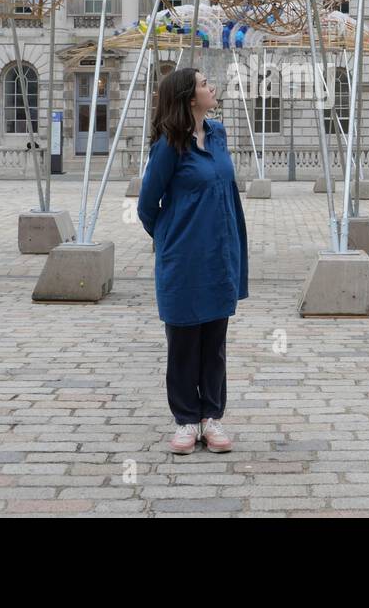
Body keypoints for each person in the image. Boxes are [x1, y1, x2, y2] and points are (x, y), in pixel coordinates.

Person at [137, 68, 249, 455]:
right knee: (184, 342)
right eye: (204, 84)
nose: (211, 87)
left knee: (214, 342)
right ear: (188, 98)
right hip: (184, 260)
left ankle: (210, 417)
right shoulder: (169, 146)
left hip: (219, 254)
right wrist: (171, 240)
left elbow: (224, 188)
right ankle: (186, 419)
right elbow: (147, 206)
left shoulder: (217, 134)